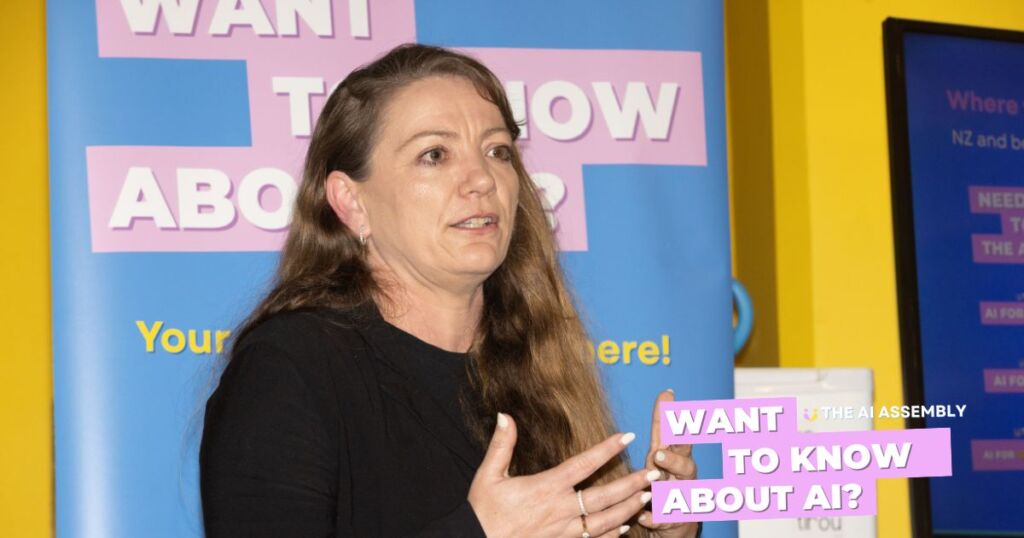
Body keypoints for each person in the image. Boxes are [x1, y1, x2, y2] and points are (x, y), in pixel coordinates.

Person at [199, 43, 701, 538]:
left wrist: (658, 534)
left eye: (497, 151)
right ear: (351, 202)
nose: (481, 179)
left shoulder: (538, 361)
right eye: (434, 155)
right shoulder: (289, 367)